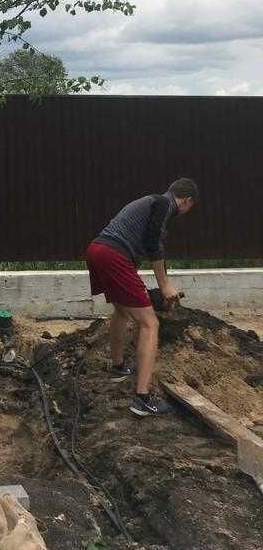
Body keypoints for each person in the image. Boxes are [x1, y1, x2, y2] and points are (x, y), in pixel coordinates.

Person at [86, 178, 199, 418]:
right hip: (114, 254)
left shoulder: (151, 202)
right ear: (187, 200)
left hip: (97, 249)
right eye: (190, 208)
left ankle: (118, 366)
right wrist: (165, 286)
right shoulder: (164, 205)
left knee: (122, 311)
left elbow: (150, 244)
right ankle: (143, 398)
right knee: (150, 323)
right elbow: (154, 245)